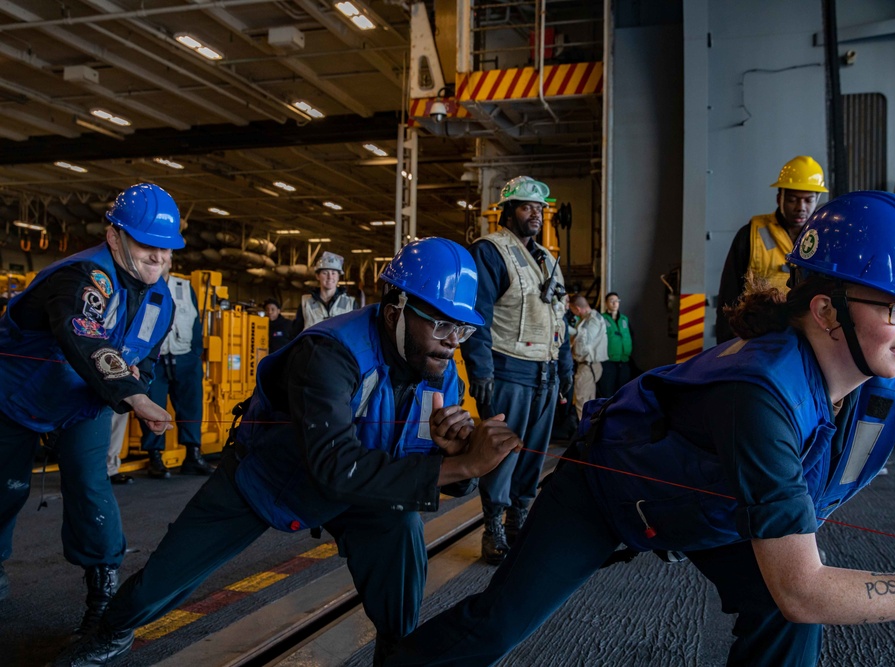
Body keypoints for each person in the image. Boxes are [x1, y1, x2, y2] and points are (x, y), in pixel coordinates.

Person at [383, 191, 895, 667]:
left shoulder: (889, 392)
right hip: (604, 499)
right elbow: (804, 589)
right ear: (825, 311)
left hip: (716, 509)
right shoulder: (760, 396)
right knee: (499, 623)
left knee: (784, 618)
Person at [55, 237, 522, 667]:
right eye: (441, 323)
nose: (451, 341)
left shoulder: (441, 371)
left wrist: (453, 457)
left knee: (400, 530)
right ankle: (111, 631)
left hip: (364, 483)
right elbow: (334, 466)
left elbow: (426, 472)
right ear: (395, 308)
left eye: (460, 328)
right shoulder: (329, 354)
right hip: (269, 477)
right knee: (163, 579)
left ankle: (396, 649)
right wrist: (462, 465)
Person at [0, 183, 179, 634]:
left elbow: (146, 358)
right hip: (15, 398)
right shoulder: (80, 276)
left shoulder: (162, 300)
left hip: (83, 401)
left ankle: (103, 588)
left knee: (89, 485)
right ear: (115, 236)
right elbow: (85, 333)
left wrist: (147, 400)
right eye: (147, 245)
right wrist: (133, 396)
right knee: (5, 489)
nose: (159, 258)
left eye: (168, 248)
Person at [461, 175, 571, 565]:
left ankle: (517, 520)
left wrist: (566, 367)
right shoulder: (490, 252)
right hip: (509, 370)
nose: (536, 215)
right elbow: (478, 316)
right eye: (527, 207)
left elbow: (561, 318)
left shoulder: (548, 259)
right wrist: (481, 371)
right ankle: (492, 527)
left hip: (545, 372)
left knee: (533, 455)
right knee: (501, 453)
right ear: (507, 212)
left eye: (540, 209)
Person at [716, 155, 828, 344]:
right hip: (755, 337)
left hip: (805, 339)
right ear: (779, 198)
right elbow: (730, 292)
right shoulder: (751, 234)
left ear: (817, 200)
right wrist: (727, 343)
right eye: (793, 199)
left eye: (808, 200)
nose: (801, 207)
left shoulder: (824, 237)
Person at [138, 258, 209, 479]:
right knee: (152, 406)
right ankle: (155, 457)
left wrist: (195, 353)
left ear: (170, 262)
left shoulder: (185, 287)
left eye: (165, 257)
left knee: (191, 407)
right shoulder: (142, 286)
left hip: (185, 357)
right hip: (155, 360)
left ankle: (193, 455)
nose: (160, 260)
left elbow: (196, 322)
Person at [291, 251, 356, 335]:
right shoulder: (306, 303)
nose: (330, 277)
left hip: (339, 348)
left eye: (333, 273)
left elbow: (356, 333)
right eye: (325, 273)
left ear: (338, 276)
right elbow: (295, 333)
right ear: (317, 276)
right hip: (312, 348)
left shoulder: (350, 303)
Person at [568, 294, 608, 420]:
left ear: (577, 308)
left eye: (571, 309)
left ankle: (584, 432)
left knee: (582, 401)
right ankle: (588, 432)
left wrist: (566, 329)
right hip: (589, 366)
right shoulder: (588, 319)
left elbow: (584, 343)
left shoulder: (593, 320)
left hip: (588, 366)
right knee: (588, 401)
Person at [597, 291, 633, 397]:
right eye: (612, 301)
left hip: (624, 360)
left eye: (617, 301)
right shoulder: (601, 319)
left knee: (623, 388)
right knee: (608, 389)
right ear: (606, 303)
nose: (615, 303)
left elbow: (631, 336)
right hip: (608, 361)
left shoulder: (624, 319)